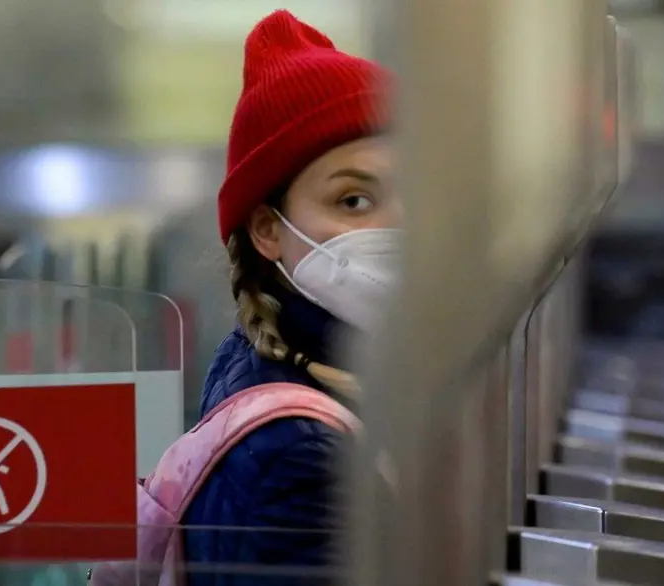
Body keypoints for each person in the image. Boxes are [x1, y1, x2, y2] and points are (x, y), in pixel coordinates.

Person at [183, 9, 400, 586]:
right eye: (353, 200)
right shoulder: (301, 458)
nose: (398, 226)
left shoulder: (275, 357)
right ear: (267, 229)